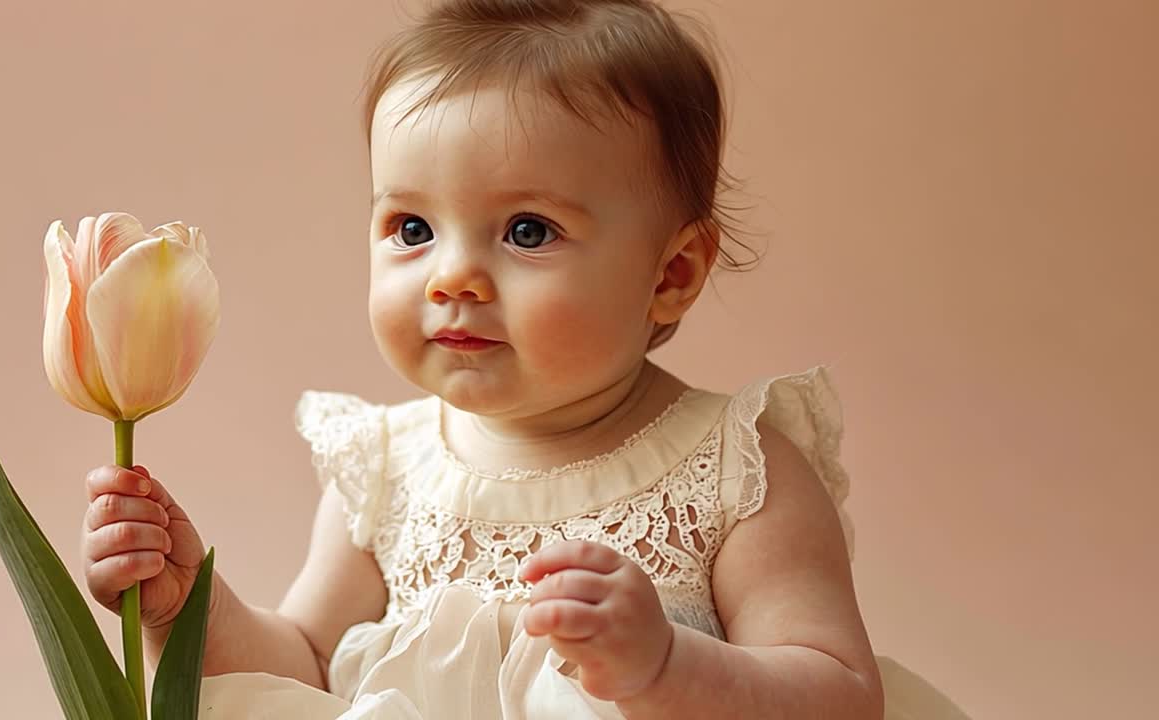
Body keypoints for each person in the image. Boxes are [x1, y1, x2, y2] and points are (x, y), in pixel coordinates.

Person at [81, 1, 971, 717]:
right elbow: (307, 665)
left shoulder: (735, 472)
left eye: (527, 230)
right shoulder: (386, 469)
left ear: (671, 274)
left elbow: (838, 694)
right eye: (413, 229)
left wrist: (664, 668)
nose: (453, 275)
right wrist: (190, 607)